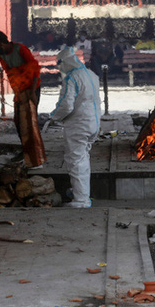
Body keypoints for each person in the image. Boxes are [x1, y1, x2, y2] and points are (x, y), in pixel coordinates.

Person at [0, 30, 46, 169]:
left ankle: (35, 157)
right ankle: (26, 151)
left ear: (1, 44)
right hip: (20, 90)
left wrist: (32, 93)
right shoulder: (2, 55)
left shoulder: (21, 49)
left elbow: (35, 69)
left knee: (30, 121)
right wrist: (17, 92)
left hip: (32, 88)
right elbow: (10, 74)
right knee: (19, 121)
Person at [50, 47, 101, 208]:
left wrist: (53, 117)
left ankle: (81, 200)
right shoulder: (92, 75)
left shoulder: (71, 78)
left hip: (79, 125)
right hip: (93, 123)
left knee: (76, 161)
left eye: (60, 64)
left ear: (65, 62)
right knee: (83, 158)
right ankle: (81, 191)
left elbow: (66, 106)